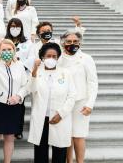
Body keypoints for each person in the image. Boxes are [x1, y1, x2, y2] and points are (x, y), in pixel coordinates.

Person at [0, 39, 29, 163]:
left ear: (14, 51)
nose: (7, 52)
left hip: (14, 105)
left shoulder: (19, 65)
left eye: (9, 49)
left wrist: (18, 96)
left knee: (10, 137)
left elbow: (26, 85)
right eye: (4, 50)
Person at [28, 42, 76, 163]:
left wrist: (61, 114)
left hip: (59, 117)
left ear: (58, 57)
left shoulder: (66, 73)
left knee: (60, 152)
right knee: (40, 153)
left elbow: (72, 96)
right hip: (41, 117)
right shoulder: (36, 72)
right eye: (48, 56)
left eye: (54, 56)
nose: (51, 58)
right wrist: (33, 73)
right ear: (42, 57)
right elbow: (32, 90)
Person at [57, 31, 98, 163]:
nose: (72, 44)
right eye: (69, 41)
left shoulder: (86, 58)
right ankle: (69, 161)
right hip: (64, 103)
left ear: (80, 42)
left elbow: (93, 82)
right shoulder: (59, 58)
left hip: (81, 103)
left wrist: (90, 104)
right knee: (66, 136)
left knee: (79, 136)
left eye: (75, 41)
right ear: (63, 43)